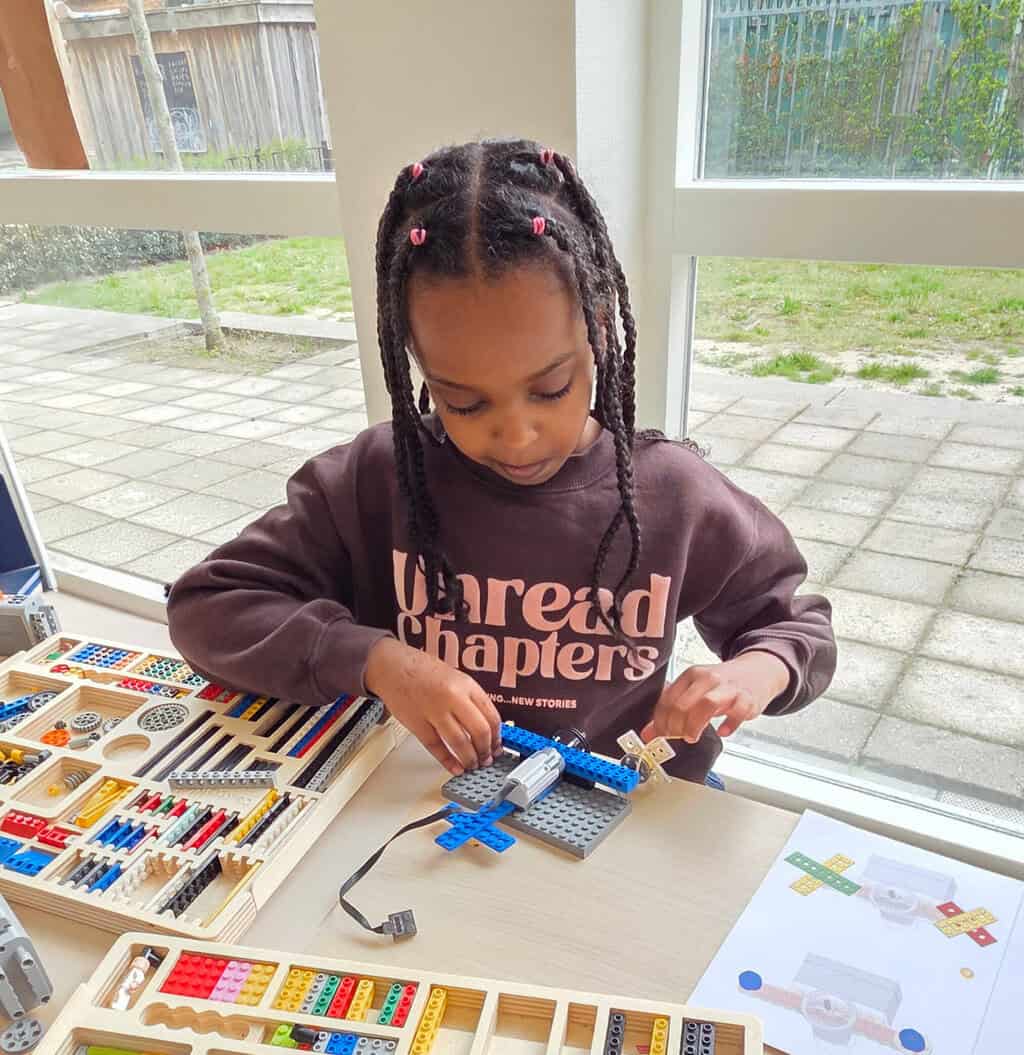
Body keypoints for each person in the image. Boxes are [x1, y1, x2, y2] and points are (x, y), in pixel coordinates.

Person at [166, 138, 835, 786]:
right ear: (417, 364)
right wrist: (377, 661)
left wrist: (756, 672)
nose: (517, 438)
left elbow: (795, 626)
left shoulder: (677, 496)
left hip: (625, 808)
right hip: (423, 802)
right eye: (464, 402)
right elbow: (205, 608)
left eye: (551, 389)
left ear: (600, 327)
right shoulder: (373, 480)